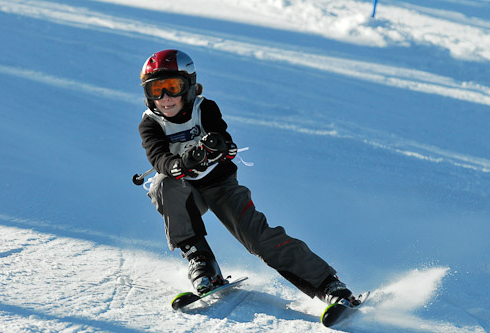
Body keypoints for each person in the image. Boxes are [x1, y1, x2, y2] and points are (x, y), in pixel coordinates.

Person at [137, 49, 359, 306]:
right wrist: (176, 165)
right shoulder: (150, 123)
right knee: (164, 183)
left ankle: (328, 284)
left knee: (259, 239)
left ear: (189, 86)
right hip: (187, 192)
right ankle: (200, 261)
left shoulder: (204, 107)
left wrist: (218, 145)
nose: (165, 98)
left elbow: (222, 136)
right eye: (156, 91)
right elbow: (158, 157)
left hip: (220, 186)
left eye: (172, 87)